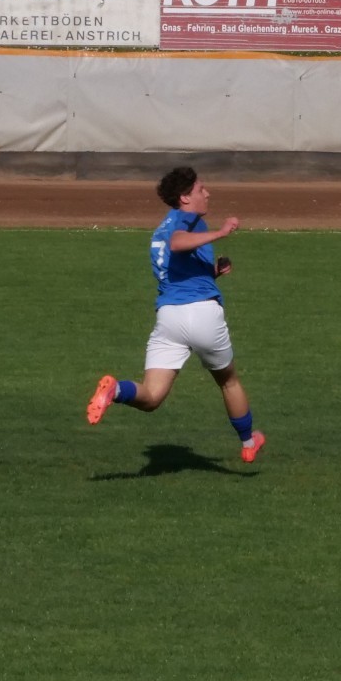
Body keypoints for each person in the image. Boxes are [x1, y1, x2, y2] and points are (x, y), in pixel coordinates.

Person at [86, 166, 265, 463]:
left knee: (152, 396)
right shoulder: (187, 221)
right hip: (202, 314)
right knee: (228, 381)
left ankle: (115, 390)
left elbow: (176, 271)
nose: (207, 193)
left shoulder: (161, 229)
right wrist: (221, 233)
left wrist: (212, 273)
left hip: (170, 318)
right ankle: (248, 442)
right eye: (201, 189)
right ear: (185, 197)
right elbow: (178, 243)